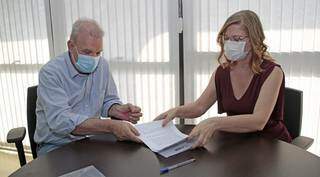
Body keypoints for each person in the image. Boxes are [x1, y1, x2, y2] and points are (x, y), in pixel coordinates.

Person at [155, 10, 292, 148]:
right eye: (226, 38)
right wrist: (176, 111)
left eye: (237, 39)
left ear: (254, 40)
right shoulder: (222, 72)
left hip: (270, 145)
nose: (230, 43)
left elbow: (259, 121)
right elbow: (199, 107)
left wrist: (214, 123)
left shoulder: (272, 72)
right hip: (237, 143)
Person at [34, 18, 142, 155]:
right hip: (56, 145)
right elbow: (61, 122)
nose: (93, 59)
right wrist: (110, 126)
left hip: (91, 139)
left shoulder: (102, 65)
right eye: (87, 52)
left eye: (98, 53)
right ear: (71, 46)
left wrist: (117, 110)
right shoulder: (50, 73)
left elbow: (108, 100)